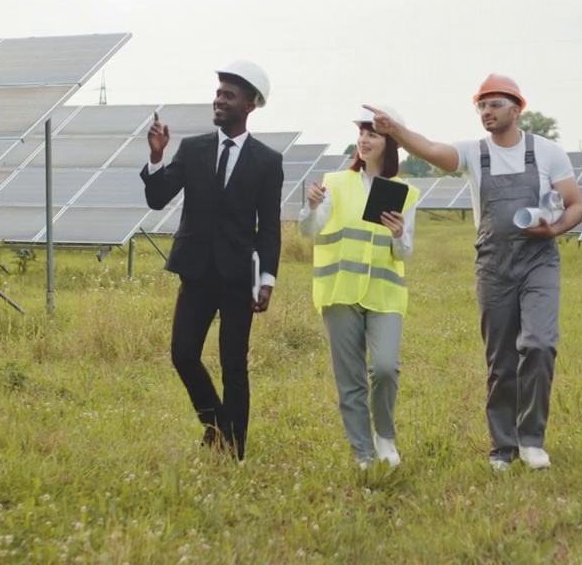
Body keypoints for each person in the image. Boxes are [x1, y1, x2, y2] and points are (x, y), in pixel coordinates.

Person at [363, 74, 582, 471]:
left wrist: (552, 228)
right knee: (499, 359)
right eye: (481, 106)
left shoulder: (548, 153)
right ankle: (503, 446)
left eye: (495, 104)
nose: (486, 112)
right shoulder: (472, 154)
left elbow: (574, 206)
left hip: (538, 260)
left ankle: (531, 439)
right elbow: (431, 149)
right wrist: (396, 129)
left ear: (517, 109)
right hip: (493, 265)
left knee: (538, 344)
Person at [141, 60, 284, 463]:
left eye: (229, 95)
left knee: (233, 365)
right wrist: (156, 158)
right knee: (183, 354)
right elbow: (157, 199)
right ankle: (217, 425)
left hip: (240, 277)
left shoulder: (267, 161)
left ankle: (234, 449)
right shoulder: (193, 148)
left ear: (250, 105)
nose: (219, 100)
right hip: (197, 271)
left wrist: (266, 279)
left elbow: (269, 228)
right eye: (218, 93)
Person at [298, 107, 421, 469]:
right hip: (339, 292)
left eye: (374, 134)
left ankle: (384, 435)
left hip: (384, 294)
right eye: (362, 133)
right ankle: (363, 454)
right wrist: (310, 208)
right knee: (350, 379)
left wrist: (399, 234)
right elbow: (311, 231)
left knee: (384, 368)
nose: (364, 140)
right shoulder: (334, 183)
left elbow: (406, 251)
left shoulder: (405, 192)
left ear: (390, 142)